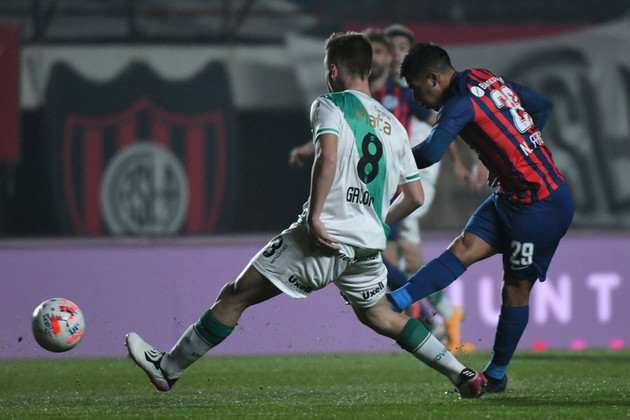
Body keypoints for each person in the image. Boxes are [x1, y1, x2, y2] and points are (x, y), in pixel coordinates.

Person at [126, 32, 487, 398]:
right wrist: (378, 222)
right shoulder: (393, 124)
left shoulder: (329, 104)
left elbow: (327, 157)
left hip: (324, 236)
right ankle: (462, 374)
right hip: (366, 246)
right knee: (383, 316)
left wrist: (315, 217)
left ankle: (167, 368)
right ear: (368, 70)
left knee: (234, 296)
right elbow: (415, 196)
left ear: (334, 70)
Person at [388, 42, 575, 393]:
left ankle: (497, 375)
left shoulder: (459, 103)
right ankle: (393, 303)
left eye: (416, 88)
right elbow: (541, 106)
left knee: (515, 287)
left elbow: (430, 152)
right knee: (462, 249)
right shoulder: (484, 78)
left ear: (433, 78)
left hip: (541, 207)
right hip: (509, 197)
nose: (417, 98)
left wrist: (387, 162)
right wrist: (512, 152)